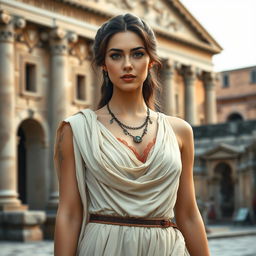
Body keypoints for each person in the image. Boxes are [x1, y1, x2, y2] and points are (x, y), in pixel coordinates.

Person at [54, 13, 210, 256]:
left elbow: (188, 213)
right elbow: (69, 214)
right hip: (104, 248)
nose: (127, 64)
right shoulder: (77, 130)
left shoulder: (180, 131)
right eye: (116, 55)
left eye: (137, 54)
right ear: (104, 64)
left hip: (167, 249)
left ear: (151, 62)